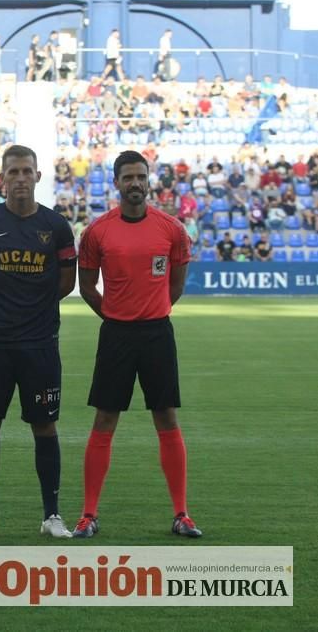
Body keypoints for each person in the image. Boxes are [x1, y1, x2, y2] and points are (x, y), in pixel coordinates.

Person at [73, 149, 201, 539]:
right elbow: (87, 286)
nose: (134, 183)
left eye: (140, 177)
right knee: (105, 419)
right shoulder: (98, 231)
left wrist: (154, 310)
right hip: (116, 334)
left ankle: (182, 514)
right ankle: (88, 515)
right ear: (116, 183)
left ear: (149, 180)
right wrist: (114, 316)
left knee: (166, 417)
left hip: (157, 333)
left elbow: (176, 285)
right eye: (127, 177)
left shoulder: (172, 229)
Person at [0, 144, 77, 538]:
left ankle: (52, 515)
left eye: (28, 171)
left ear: (38, 176)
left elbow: (66, 281)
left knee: (45, 426)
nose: (21, 178)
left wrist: (34, 311)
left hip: (40, 344)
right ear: (2, 178)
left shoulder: (57, 227)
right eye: (14, 172)